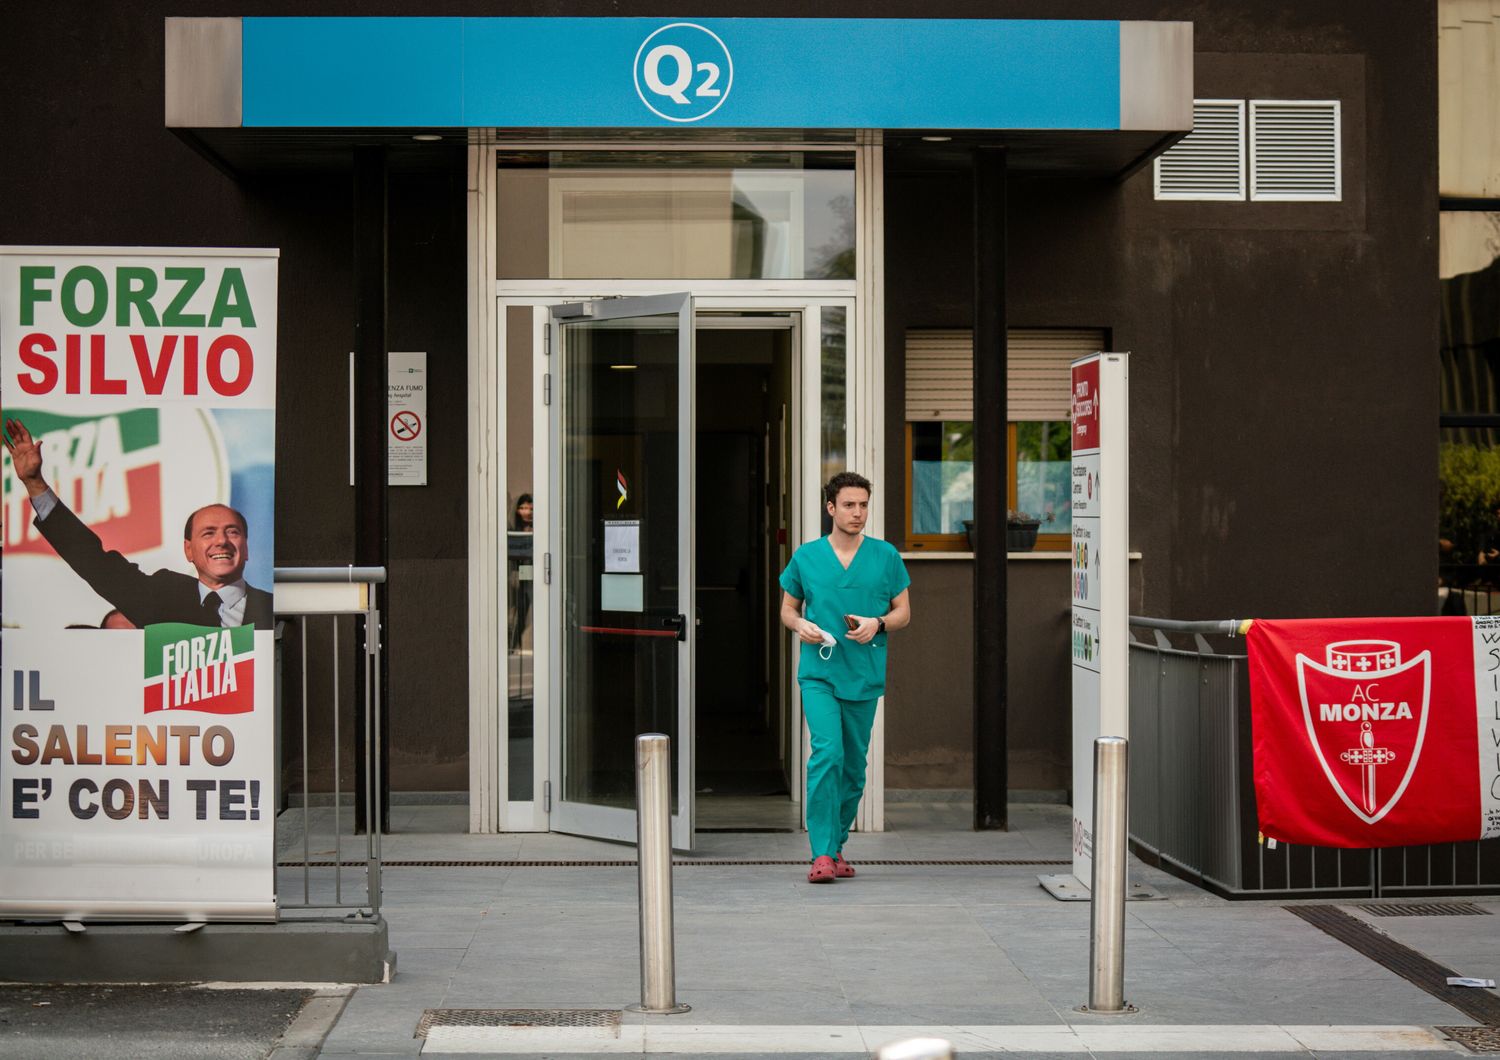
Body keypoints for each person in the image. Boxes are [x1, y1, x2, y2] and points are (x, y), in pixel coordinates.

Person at [3, 417, 272, 629]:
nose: (221, 541)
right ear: (188, 550)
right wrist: (35, 484)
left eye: (232, 532)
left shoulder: (270, 609)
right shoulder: (162, 596)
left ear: (246, 548)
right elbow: (95, 563)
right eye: (208, 533)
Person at [780, 471, 911, 884]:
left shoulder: (886, 556)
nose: (858, 513)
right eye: (849, 505)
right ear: (830, 508)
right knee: (827, 754)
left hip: (864, 673)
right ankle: (820, 853)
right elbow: (788, 609)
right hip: (819, 671)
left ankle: (836, 847)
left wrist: (879, 623)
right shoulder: (806, 556)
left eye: (864, 505)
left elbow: (903, 612)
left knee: (854, 766)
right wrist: (799, 626)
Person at [509, 492, 534, 651]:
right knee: (521, 616)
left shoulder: (540, 528)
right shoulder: (513, 530)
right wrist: (514, 573)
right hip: (522, 580)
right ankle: (511, 647)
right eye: (523, 508)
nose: (527, 512)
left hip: (537, 577)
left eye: (530, 508)